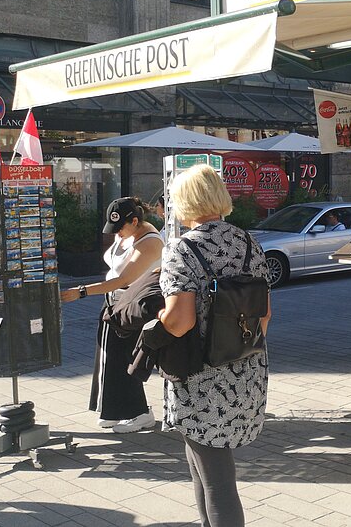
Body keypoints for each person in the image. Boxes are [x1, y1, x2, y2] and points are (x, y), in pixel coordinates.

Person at [158, 164, 271, 527]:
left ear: (184, 202)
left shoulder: (181, 249)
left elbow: (180, 320)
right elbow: (264, 315)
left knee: (218, 482)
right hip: (245, 367)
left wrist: (153, 325)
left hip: (202, 376)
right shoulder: (248, 242)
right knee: (202, 469)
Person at [61, 196, 162, 433]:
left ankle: (139, 412)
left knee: (128, 359)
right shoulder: (126, 234)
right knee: (110, 358)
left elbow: (124, 279)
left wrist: (82, 291)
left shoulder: (149, 242)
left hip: (134, 305)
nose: (116, 233)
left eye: (120, 228)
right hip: (115, 303)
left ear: (135, 221)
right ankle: (114, 409)